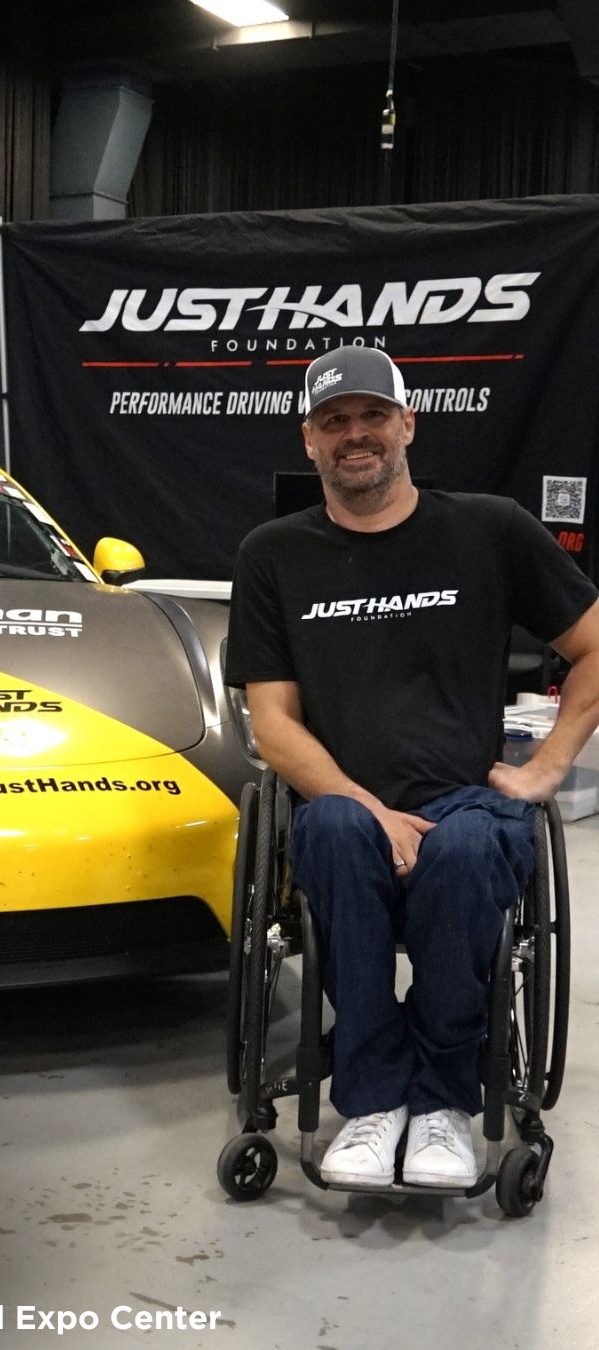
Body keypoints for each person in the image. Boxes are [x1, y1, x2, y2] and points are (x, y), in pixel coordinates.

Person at [225, 346, 599, 1189]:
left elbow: (593, 646)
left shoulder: (490, 528)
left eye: (372, 417)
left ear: (408, 425)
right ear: (310, 441)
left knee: (468, 853)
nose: (355, 435)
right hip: (339, 809)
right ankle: (374, 1099)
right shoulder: (272, 553)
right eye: (334, 422)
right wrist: (368, 806)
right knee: (334, 828)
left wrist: (546, 767)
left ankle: (439, 1105)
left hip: (465, 801)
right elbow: (274, 724)